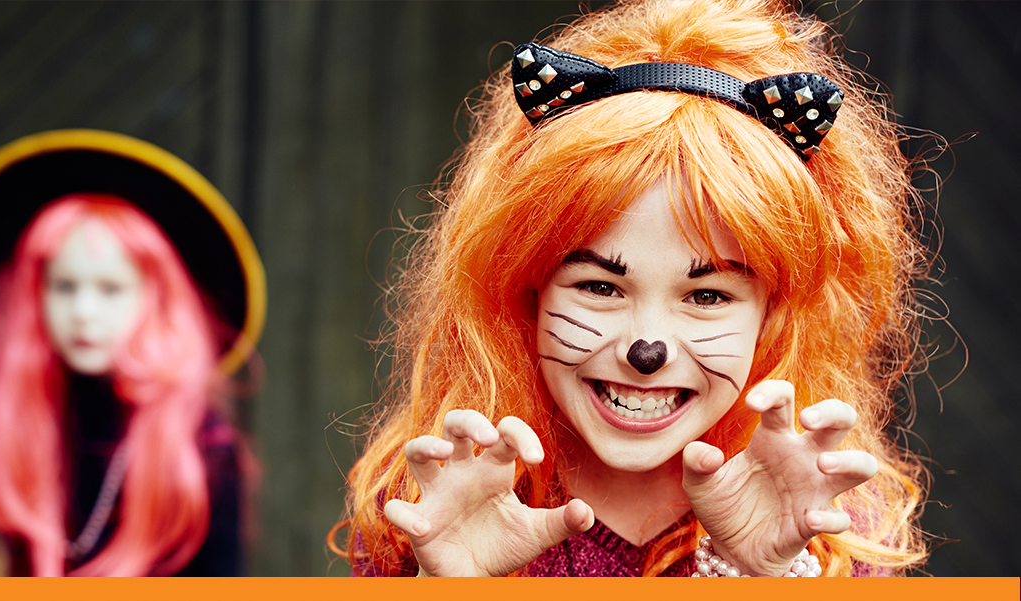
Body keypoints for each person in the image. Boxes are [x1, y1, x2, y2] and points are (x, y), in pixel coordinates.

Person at [335, 0, 929, 577]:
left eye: (707, 296)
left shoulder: (829, 530)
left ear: (774, 315)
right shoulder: (429, 503)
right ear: (527, 288)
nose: (647, 350)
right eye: (599, 286)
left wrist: (761, 574)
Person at [0, 131, 267, 576]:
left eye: (111, 290)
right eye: (64, 287)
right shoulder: (11, 417)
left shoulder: (203, 447)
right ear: (36, 295)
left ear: (156, 299)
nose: (84, 312)